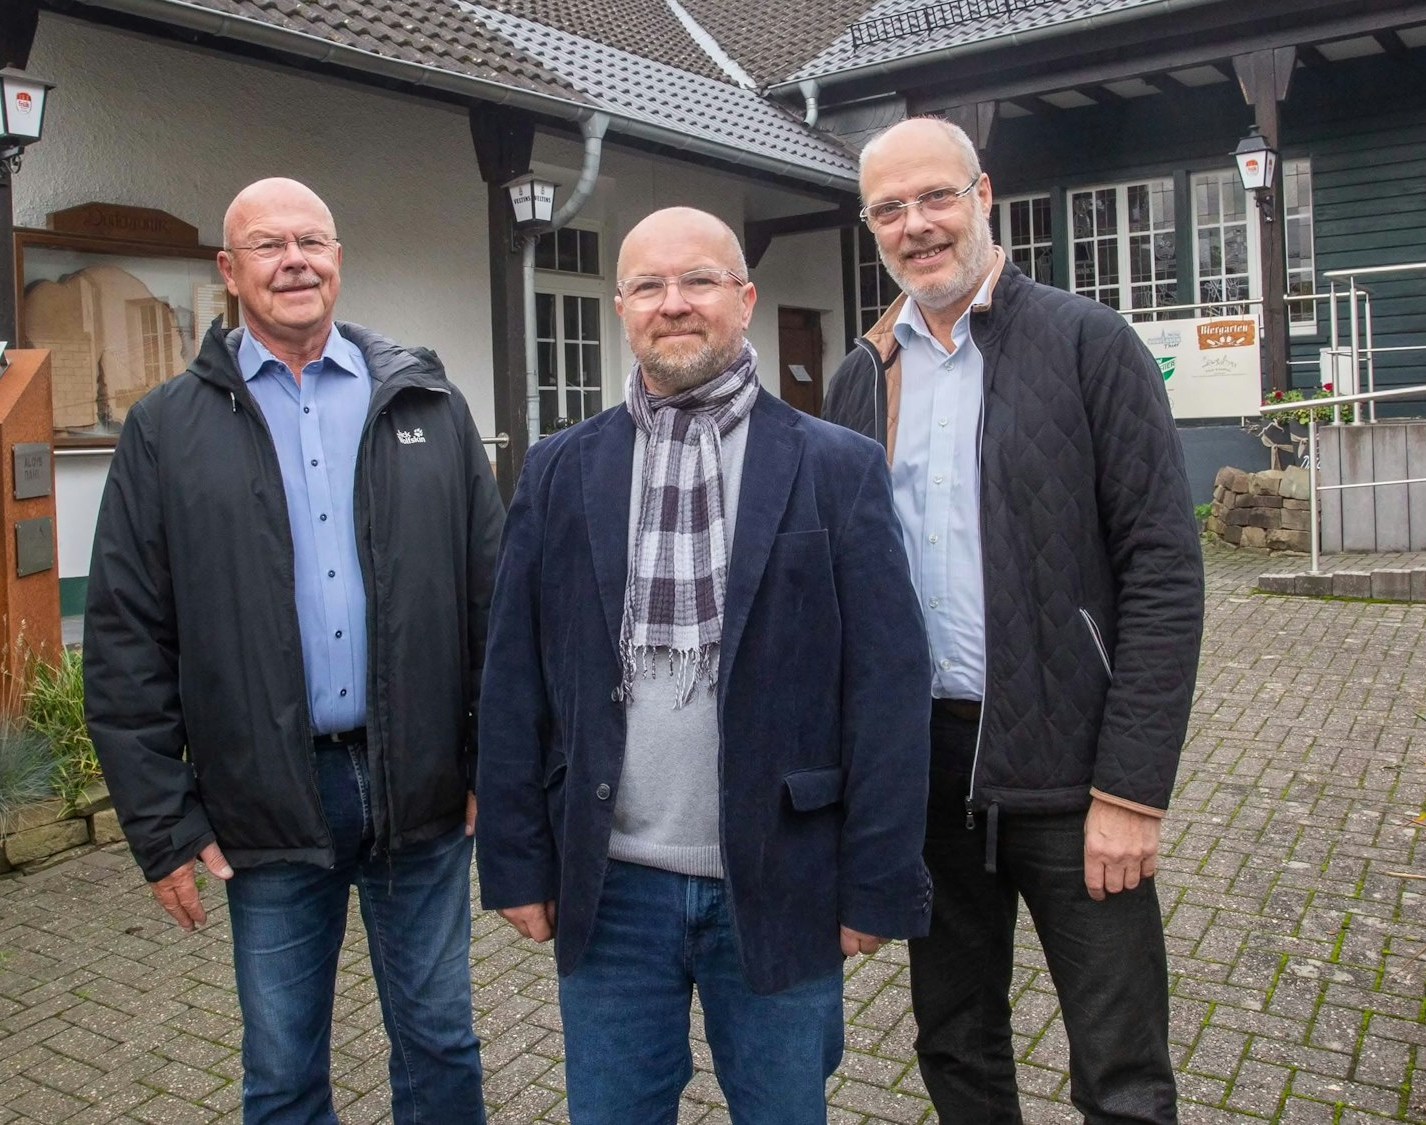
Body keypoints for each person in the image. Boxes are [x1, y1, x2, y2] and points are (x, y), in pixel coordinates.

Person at [475, 207, 932, 1125]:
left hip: (780, 876)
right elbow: (513, 674)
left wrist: (876, 880)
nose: (672, 303)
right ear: (622, 307)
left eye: (699, 282)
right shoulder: (561, 470)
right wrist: (517, 861)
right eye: (648, 285)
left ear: (745, 298)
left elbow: (887, 688)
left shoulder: (834, 467)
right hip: (610, 886)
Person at [83, 177, 501, 1125]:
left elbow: (494, 599)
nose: (295, 261)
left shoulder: (427, 402)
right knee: (280, 1069)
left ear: (340, 260)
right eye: (268, 246)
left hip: (422, 787)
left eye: (312, 240)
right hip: (265, 799)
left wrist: (489, 761)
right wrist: (164, 825)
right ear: (229, 273)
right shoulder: (164, 430)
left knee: (441, 1042)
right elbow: (125, 640)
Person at [822, 118, 1206, 1125]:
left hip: (1075, 774)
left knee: (1119, 1069)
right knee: (953, 1044)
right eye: (888, 210)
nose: (916, 226)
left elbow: (1163, 572)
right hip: (928, 775)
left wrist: (1132, 789)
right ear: (870, 227)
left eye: (935, 197)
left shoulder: (1088, 345)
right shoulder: (861, 374)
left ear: (982, 195)